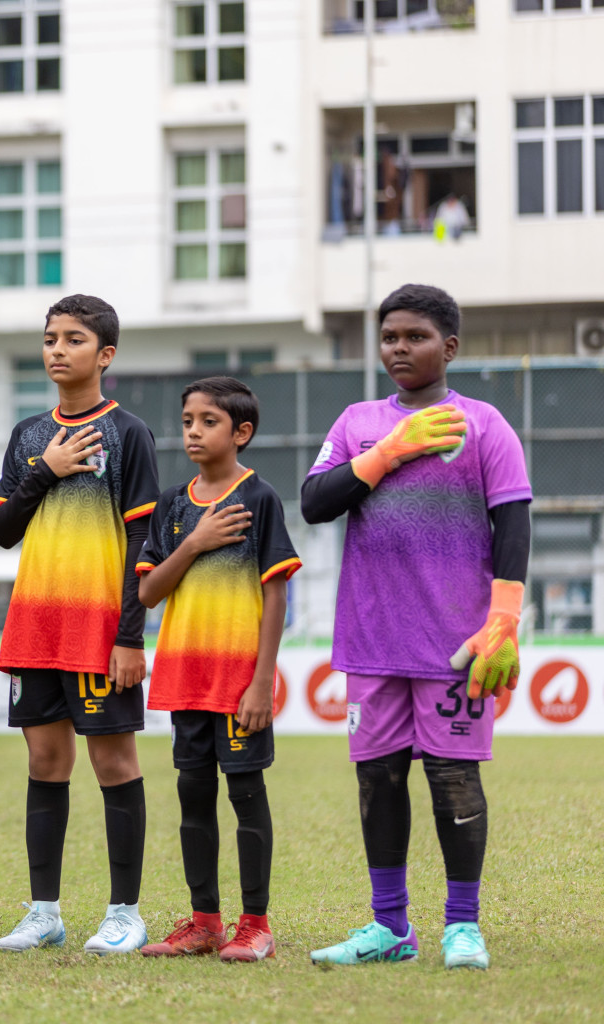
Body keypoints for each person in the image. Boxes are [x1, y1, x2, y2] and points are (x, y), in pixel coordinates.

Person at [305, 284, 530, 971]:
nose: (399, 348)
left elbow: (514, 523)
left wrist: (505, 622)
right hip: (373, 641)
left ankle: (462, 926)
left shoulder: (485, 424)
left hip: (458, 648)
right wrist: (388, 451)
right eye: (390, 337)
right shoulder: (357, 420)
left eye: (415, 337)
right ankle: (389, 927)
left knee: (454, 782)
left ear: (449, 347)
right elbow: (316, 501)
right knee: (377, 781)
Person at [0, 295, 159, 954]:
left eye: (74, 339)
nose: (58, 349)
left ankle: (125, 913)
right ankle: (44, 913)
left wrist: (129, 634)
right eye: (50, 338)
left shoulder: (129, 434)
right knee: (44, 760)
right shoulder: (30, 436)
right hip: (36, 626)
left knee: (114, 762)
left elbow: (143, 541)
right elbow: (3, 529)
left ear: (105, 355)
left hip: (100, 629)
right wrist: (44, 470)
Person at [135, 376, 299, 963]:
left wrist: (261, 681)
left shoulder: (260, 499)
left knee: (247, 795)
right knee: (192, 796)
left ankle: (255, 925)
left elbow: (276, 597)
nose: (195, 432)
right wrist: (196, 541)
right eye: (188, 421)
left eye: (209, 421)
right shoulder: (175, 506)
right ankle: (204, 921)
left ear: (241, 432)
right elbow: (150, 591)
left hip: (238, 683)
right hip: (186, 678)